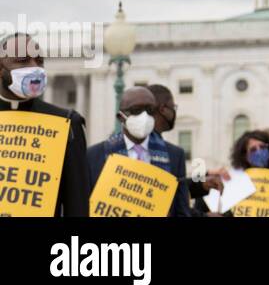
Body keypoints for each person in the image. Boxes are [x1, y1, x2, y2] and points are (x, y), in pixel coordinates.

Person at [0, 32, 89, 216]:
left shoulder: (66, 123)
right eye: (23, 60)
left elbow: (77, 205)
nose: (34, 68)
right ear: (1, 68)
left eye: (39, 61)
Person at [85, 84, 189, 216]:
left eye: (150, 110)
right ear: (121, 117)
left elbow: (182, 211)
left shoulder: (175, 155)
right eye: (136, 110)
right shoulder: (94, 156)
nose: (144, 116)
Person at [147, 83, 197, 214]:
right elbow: (180, 207)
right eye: (173, 107)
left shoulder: (103, 150)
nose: (174, 112)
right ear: (163, 109)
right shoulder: (175, 154)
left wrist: (202, 184)